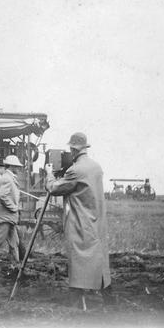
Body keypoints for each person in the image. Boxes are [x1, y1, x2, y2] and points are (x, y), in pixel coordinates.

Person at [45, 132, 111, 309]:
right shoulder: (96, 167)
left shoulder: (75, 170)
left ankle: (75, 303)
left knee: (78, 260)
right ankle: (109, 299)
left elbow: (53, 189)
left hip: (80, 222)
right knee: (97, 257)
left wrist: (49, 174)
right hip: (95, 220)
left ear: (73, 149)